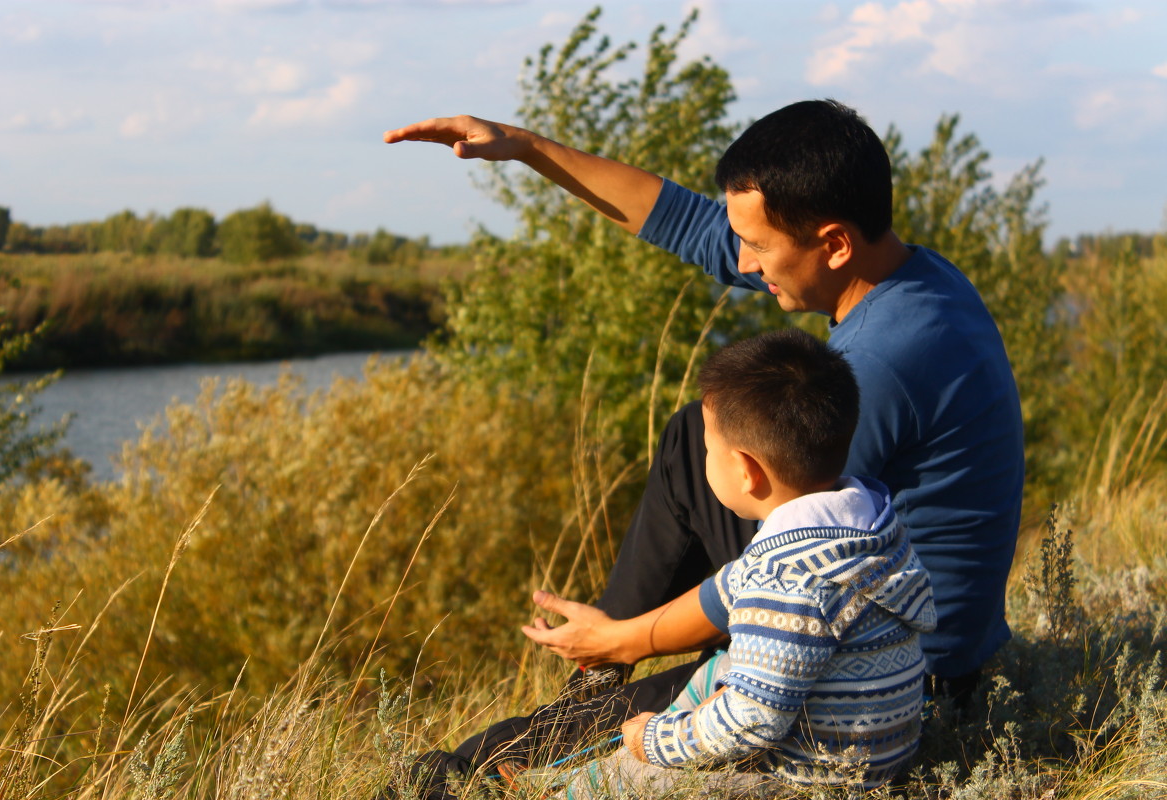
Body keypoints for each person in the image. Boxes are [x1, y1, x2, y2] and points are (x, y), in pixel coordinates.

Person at [382, 99, 1024, 789]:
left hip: (889, 685)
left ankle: (536, 730)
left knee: (479, 763)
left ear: (833, 242)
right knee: (703, 433)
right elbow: (690, 224)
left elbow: (779, 575)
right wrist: (526, 147)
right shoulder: (909, 277)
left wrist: (630, 638)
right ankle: (598, 682)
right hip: (867, 612)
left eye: (758, 245)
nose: (743, 262)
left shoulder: (881, 362)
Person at [526, 328, 936, 798]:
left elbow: (752, 721)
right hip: (880, 752)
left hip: (809, 781)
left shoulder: (785, 578)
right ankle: (574, 775)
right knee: (719, 667)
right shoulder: (866, 523)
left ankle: (567, 790)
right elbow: (728, 588)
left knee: (641, 777)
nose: (700, 457)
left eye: (706, 448)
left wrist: (656, 740)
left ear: (746, 471)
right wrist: (621, 639)